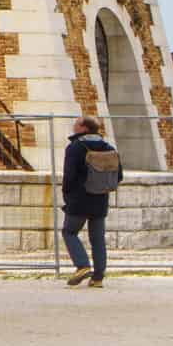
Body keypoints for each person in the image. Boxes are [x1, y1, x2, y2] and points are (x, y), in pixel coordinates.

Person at [61, 114, 120, 287]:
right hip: (100, 198)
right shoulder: (109, 147)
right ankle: (98, 278)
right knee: (98, 238)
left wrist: (67, 194)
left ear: (84, 128)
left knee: (69, 232)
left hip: (79, 199)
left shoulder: (75, 148)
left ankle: (82, 265)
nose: (74, 126)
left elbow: (69, 175)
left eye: (77, 124)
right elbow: (119, 175)